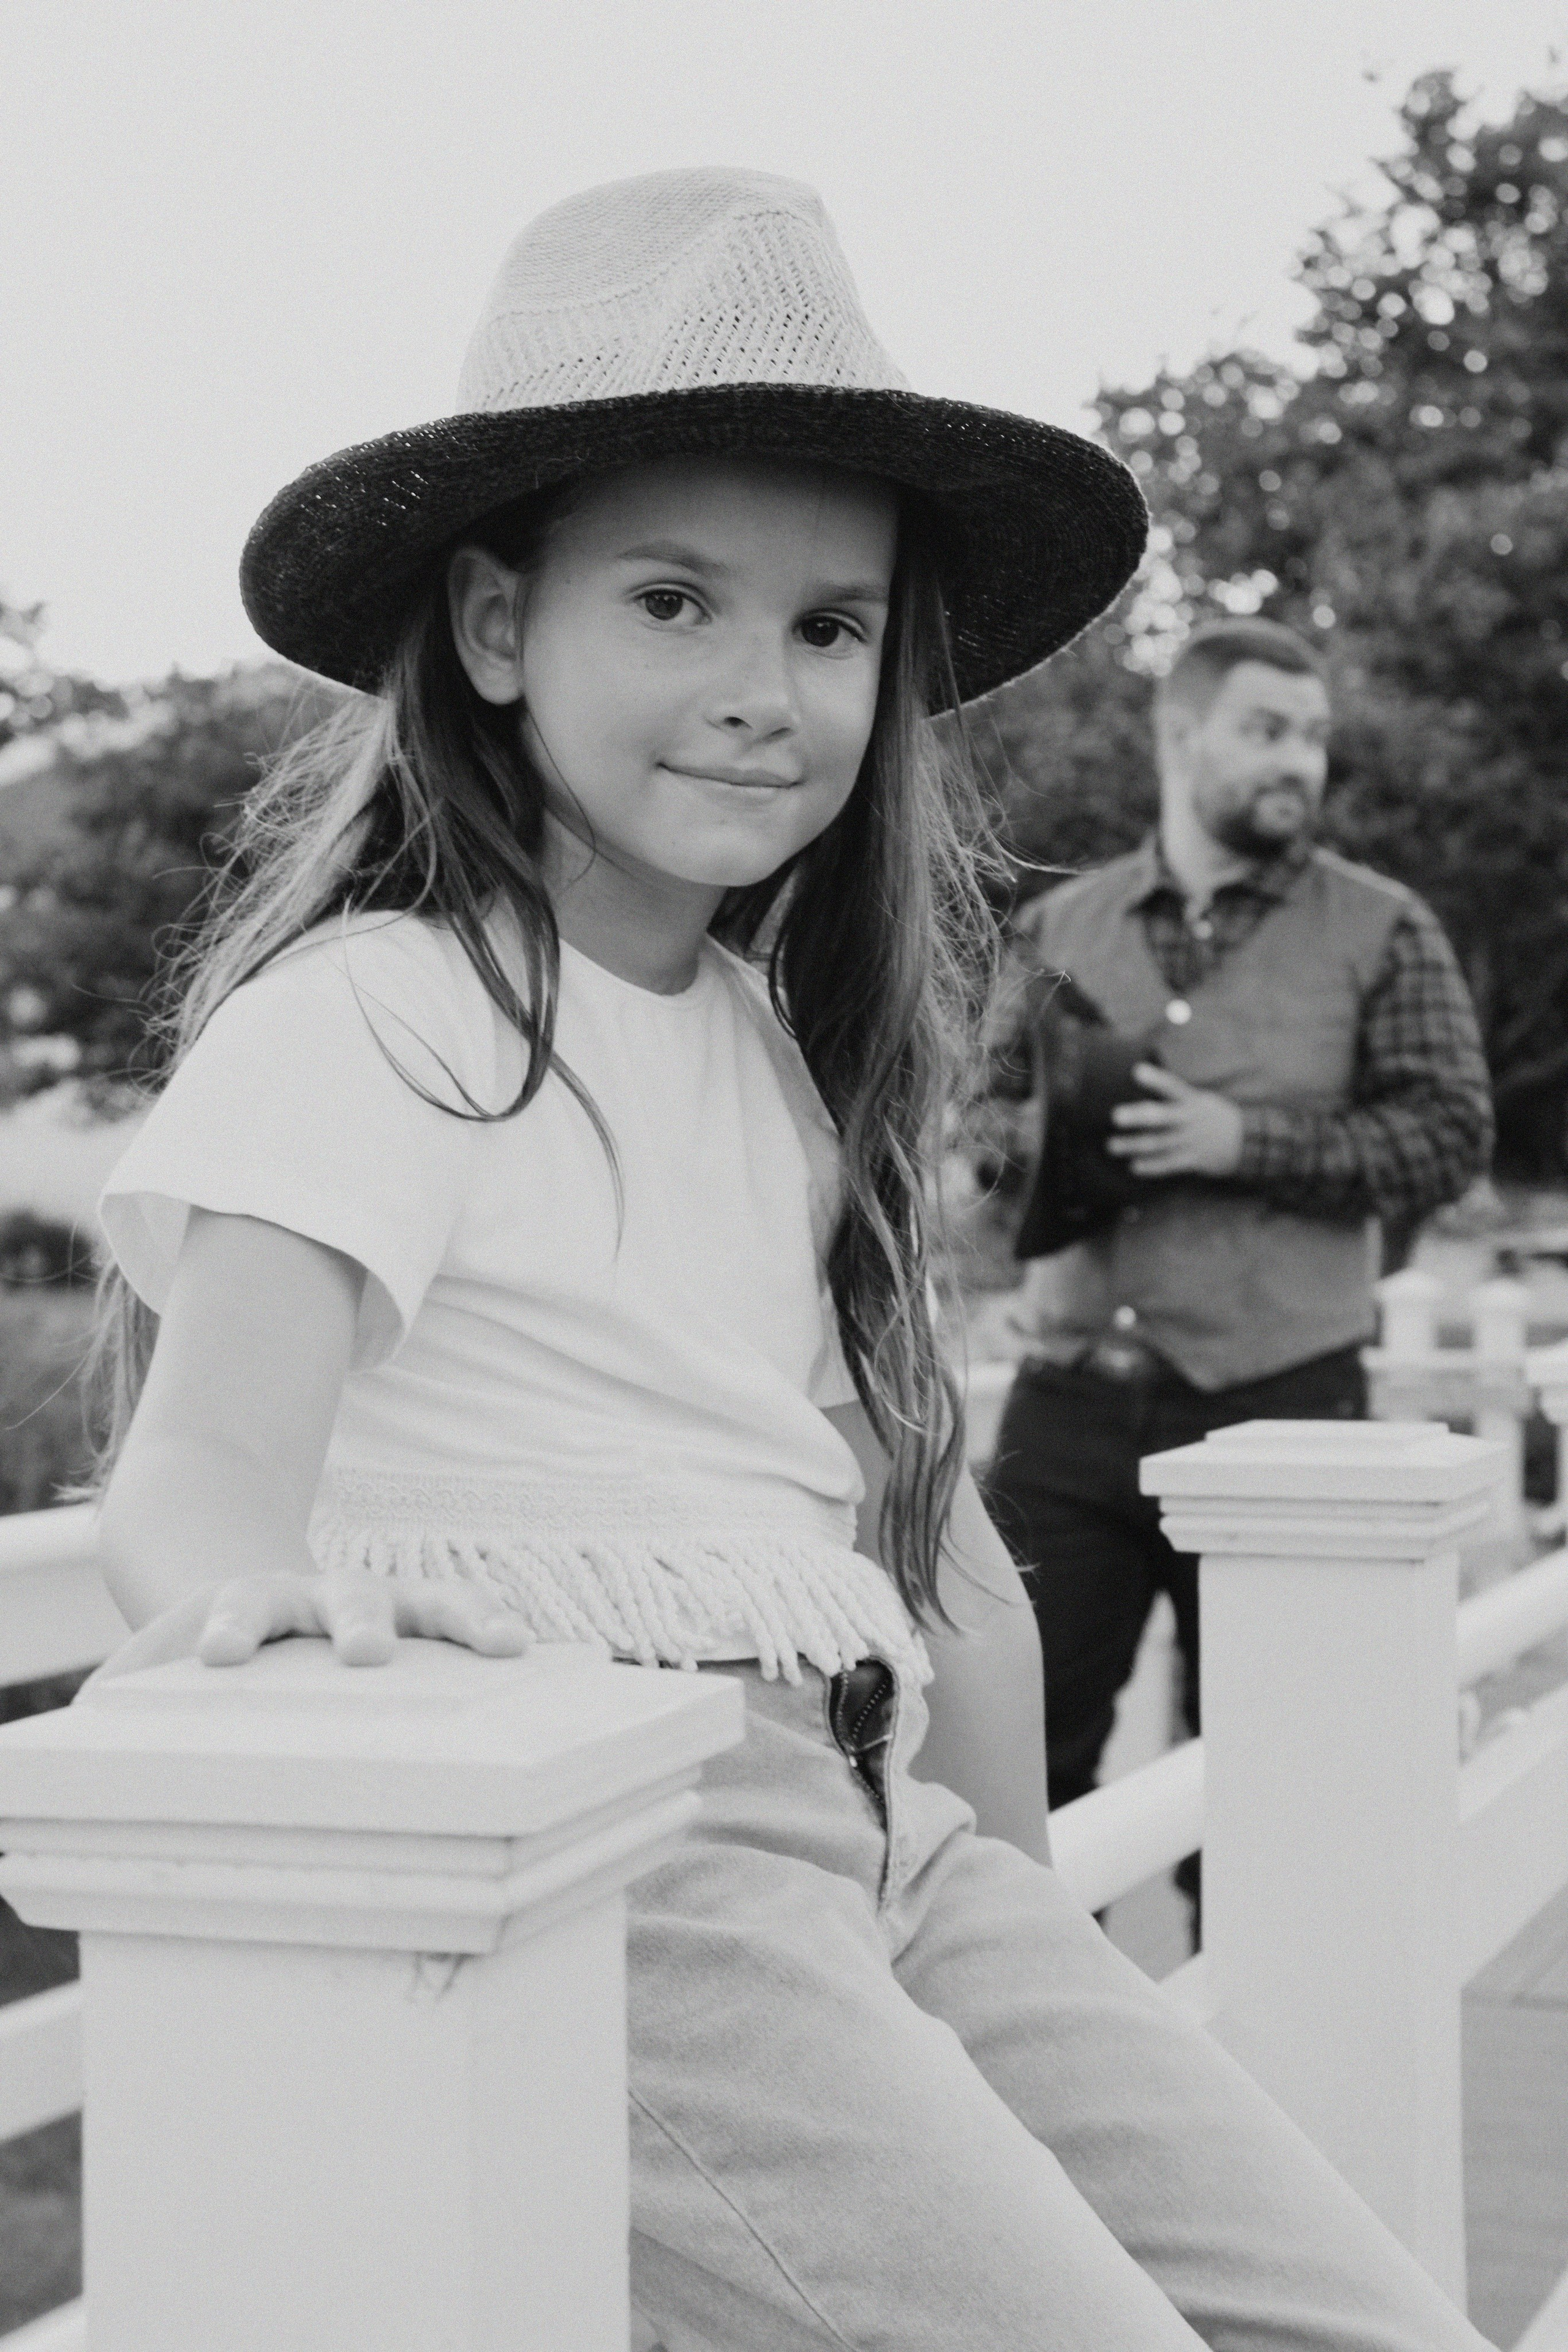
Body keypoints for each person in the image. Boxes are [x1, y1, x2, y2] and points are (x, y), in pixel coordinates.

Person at [85, 172, 1491, 2350]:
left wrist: (1006, 1953)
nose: (766, 688)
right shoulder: (382, 1019)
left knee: (1372, 2320)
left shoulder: (765, 1050)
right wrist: (245, 1605)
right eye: (674, 601)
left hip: (880, 1839)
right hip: (638, 1858)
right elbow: (200, 1474)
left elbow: (918, 1547)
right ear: (488, 627)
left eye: (831, 627)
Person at [984, 619, 1493, 1914]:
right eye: (1267, 731)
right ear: (1179, 735)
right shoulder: (1052, 921)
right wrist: (996, 1177)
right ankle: (1033, 2099)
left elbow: (1449, 1131)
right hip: (1067, 1407)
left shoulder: (1383, 929)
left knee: (1273, 1796)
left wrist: (1240, 1139)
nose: (1298, 764)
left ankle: (1250, 2095)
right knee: (1015, 1779)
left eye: (1313, 739)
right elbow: (977, 1131)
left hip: (1282, 1405)